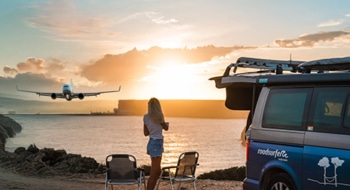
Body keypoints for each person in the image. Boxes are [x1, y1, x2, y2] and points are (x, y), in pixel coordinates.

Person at [143, 97, 169, 190]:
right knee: (154, 173)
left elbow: (146, 133)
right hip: (157, 144)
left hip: (151, 143)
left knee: (157, 171)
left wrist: (152, 128)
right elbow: (166, 128)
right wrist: (162, 124)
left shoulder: (145, 117)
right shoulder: (160, 116)